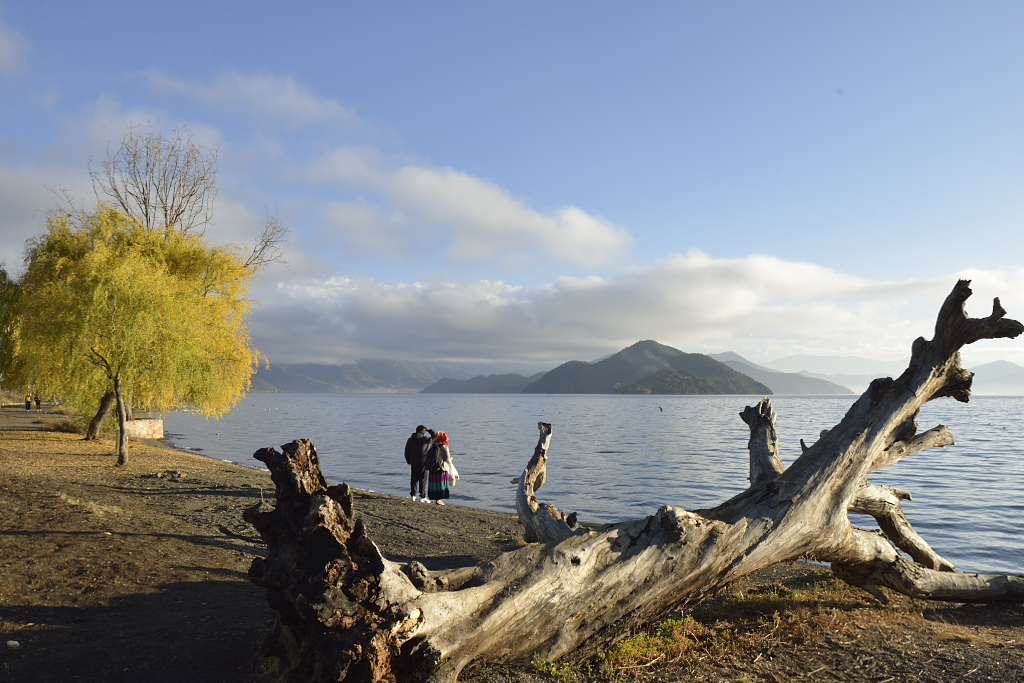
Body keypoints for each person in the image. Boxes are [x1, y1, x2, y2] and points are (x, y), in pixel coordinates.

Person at [404, 425, 434, 502]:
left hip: (413, 462)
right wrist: (429, 430)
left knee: (414, 479)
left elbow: (406, 451)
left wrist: (408, 460)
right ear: (423, 431)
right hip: (424, 462)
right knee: (423, 480)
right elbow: (435, 436)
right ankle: (422, 497)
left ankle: (413, 495)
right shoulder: (425, 439)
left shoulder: (410, 439)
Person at [426, 432, 456, 505]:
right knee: (440, 484)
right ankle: (438, 500)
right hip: (441, 468)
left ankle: (435, 498)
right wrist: (451, 460)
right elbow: (447, 459)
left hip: (432, 468)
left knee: (434, 484)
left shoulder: (432, 446)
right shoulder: (444, 447)